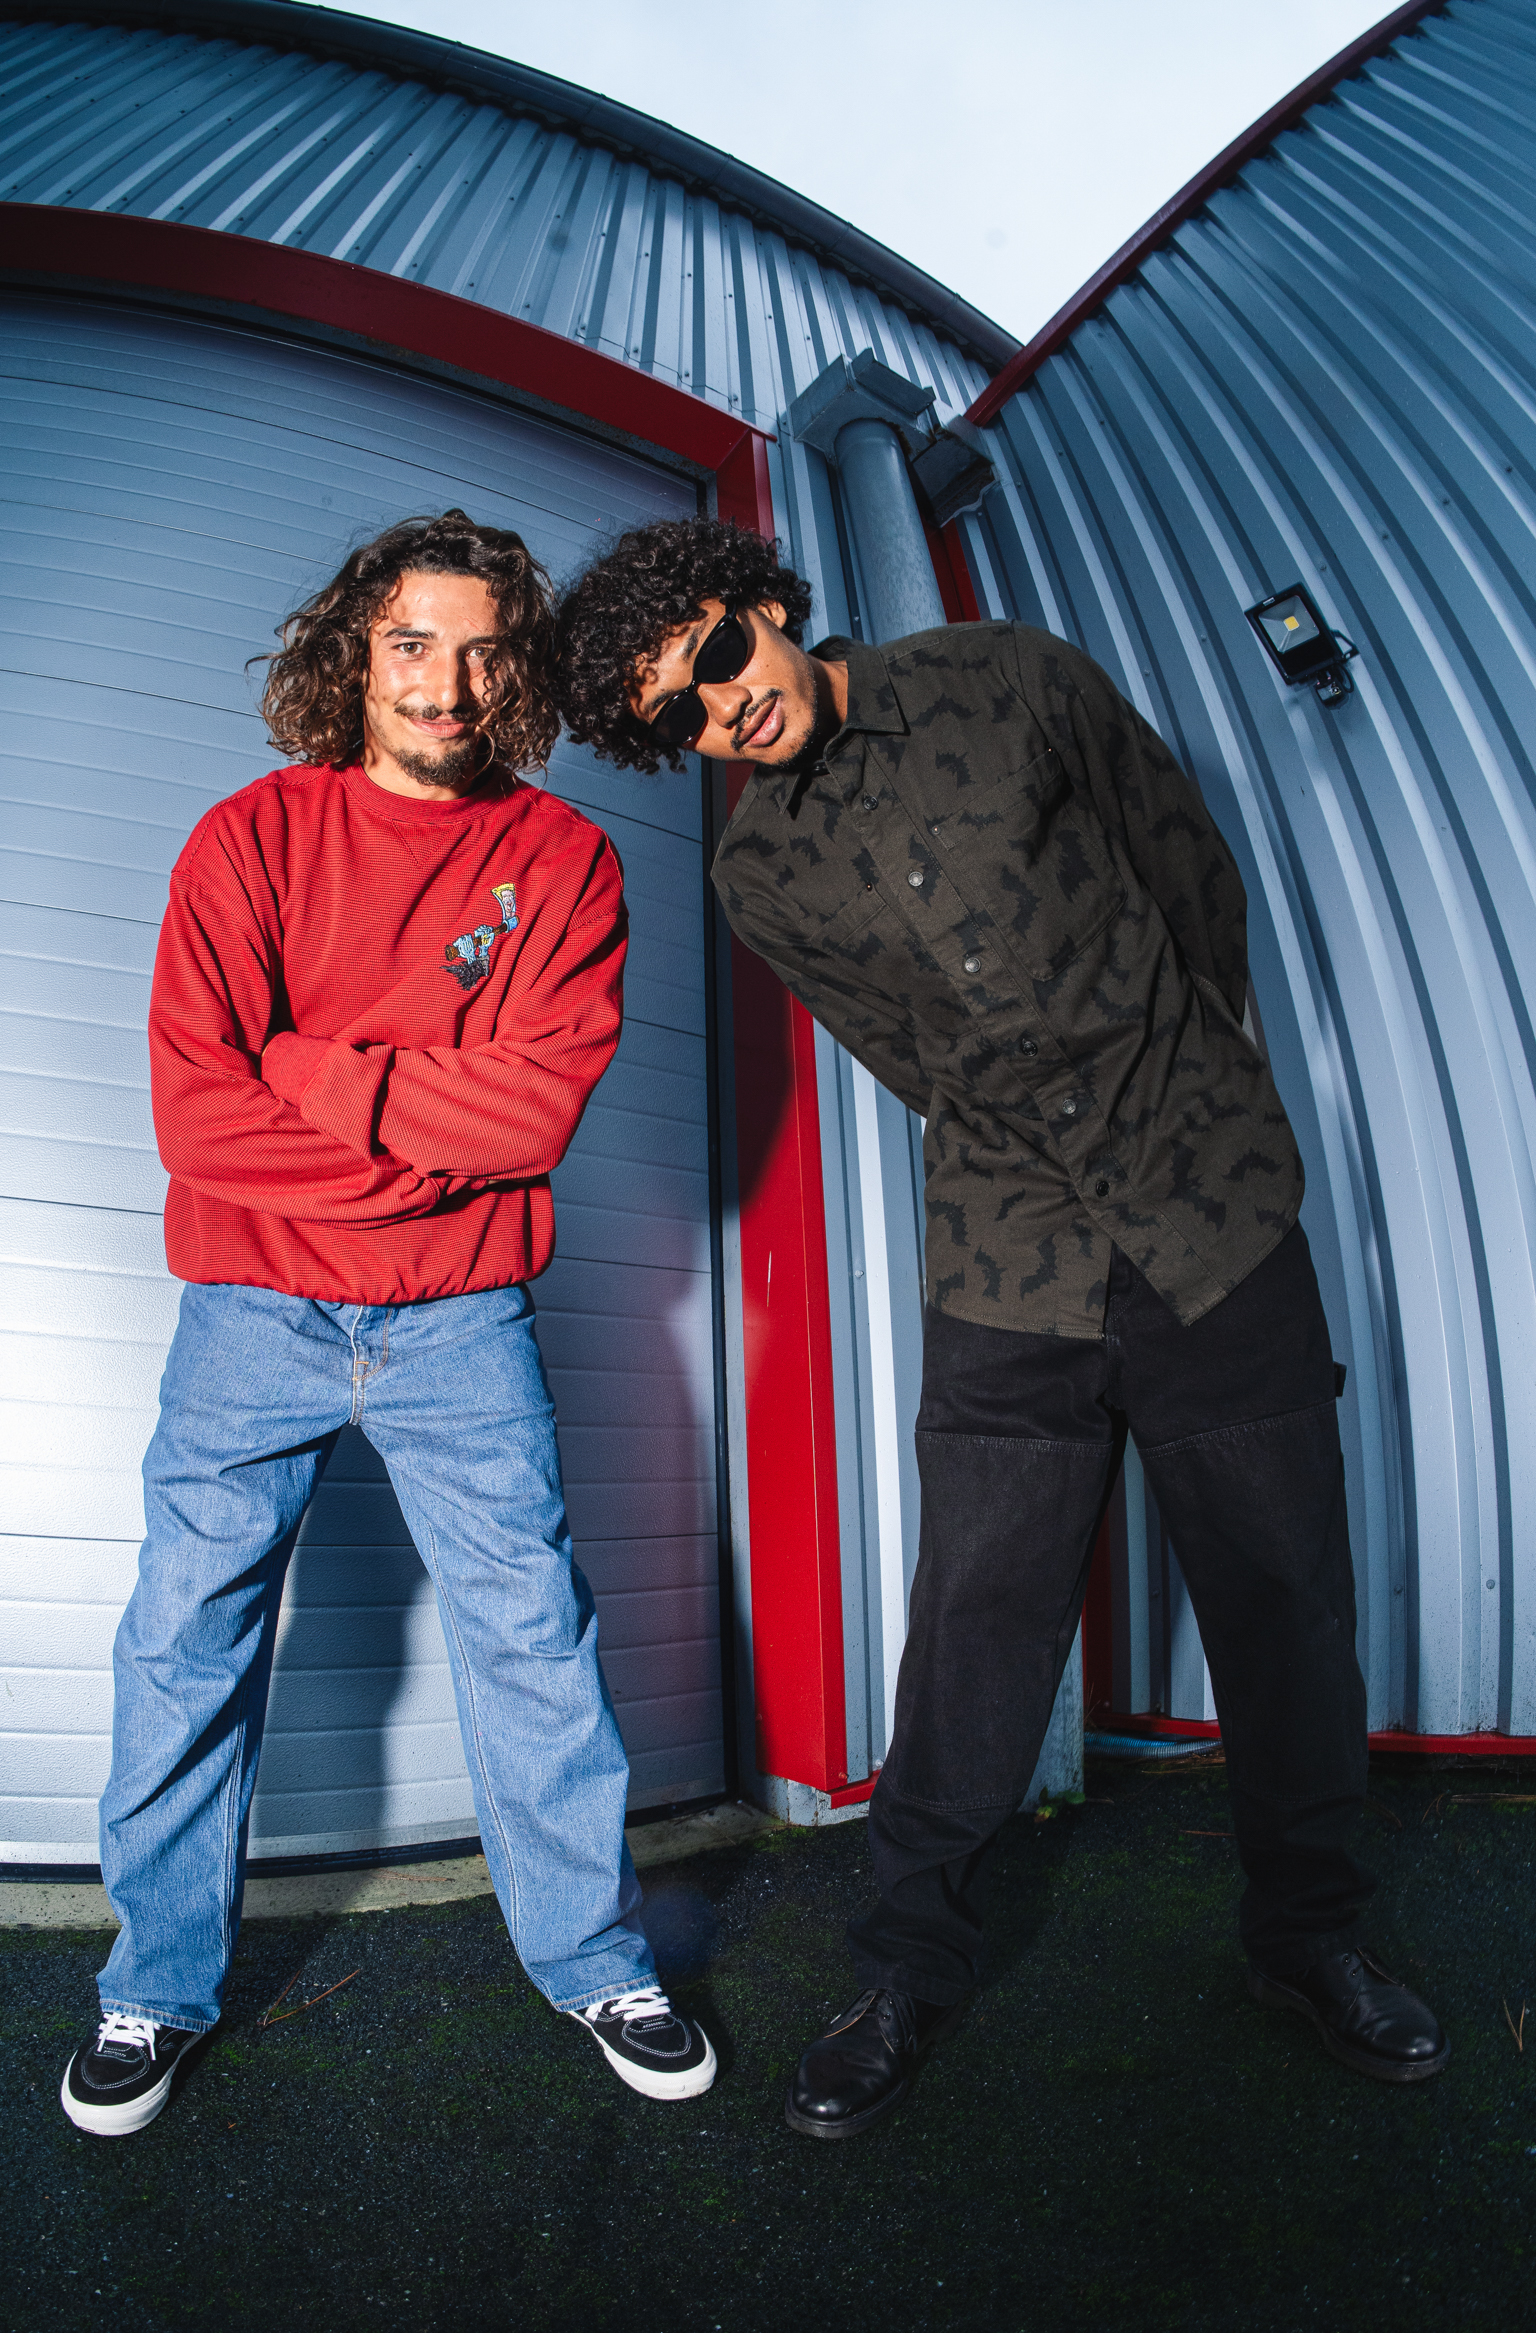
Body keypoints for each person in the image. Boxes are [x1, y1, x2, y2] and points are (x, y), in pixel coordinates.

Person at [553, 516, 1447, 2140]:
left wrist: (1199, 1103)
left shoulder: (1009, 675)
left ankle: (1310, 1937)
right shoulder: (758, 878)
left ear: (760, 604)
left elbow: (1190, 872)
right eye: (675, 714)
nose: (720, 708)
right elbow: (904, 1055)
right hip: (1006, 1264)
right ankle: (909, 1970)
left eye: (719, 657)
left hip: (1211, 1222)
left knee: (1284, 1598)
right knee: (971, 1635)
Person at [61, 510, 715, 2139]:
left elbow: (531, 1114)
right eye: (413, 641)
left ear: (517, 671)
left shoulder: (565, 863)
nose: (448, 679)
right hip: (250, 1311)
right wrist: (420, 1139)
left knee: (531, 1645)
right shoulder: (247, 839)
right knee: (183, 1637)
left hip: (460, 1324)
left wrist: (315, 1074)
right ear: (355, 650)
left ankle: (596, 1960)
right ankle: (152, 1983)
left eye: (484, 647)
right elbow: (202, 1126)